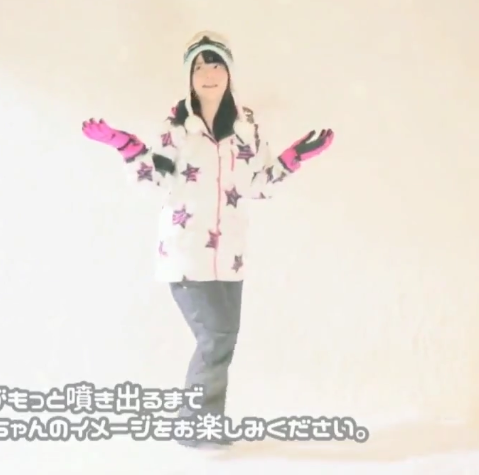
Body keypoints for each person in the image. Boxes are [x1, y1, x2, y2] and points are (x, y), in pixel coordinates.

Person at [81, 31, 334, 449]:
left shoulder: (246, 129)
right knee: (215, 338)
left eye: (215, 63)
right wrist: (126, 145)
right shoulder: (176, 129)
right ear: (189, 77)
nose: (208, 73)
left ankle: (207, 426)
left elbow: (256, 185)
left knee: (222, 341)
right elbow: (156, 179)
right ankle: (193, 425)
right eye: (199, 66)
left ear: (229, 72)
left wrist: (294, 157)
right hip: (186, 253)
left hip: (230, 255)